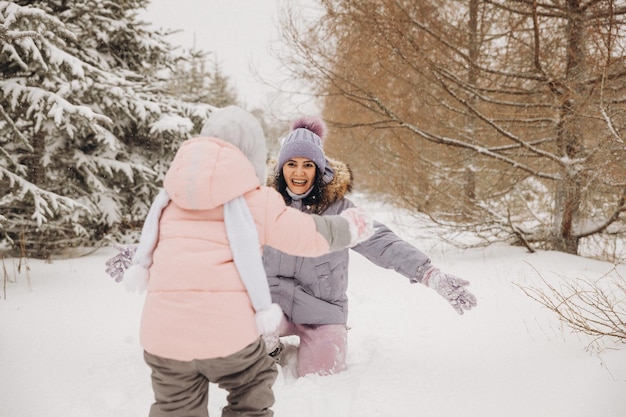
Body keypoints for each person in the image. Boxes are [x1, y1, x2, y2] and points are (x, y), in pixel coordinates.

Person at [105, 106, 374, 417]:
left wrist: (137, 256)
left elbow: (159, 242)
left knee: (175, 406)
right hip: (226, 338)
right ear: (253, 156)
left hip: (163, 341)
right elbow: (307, 234)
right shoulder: (254, 202)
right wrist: (349, 228)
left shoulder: (170, 198)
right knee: (253, 381)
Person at [263, 116, 478, 377]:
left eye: (308, 165)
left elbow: (381, 242)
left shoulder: (339, 211)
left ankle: (323, 343)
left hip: (322, 313)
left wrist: (429, 274)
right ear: (281, 168)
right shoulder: (264, 206)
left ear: (319, 170)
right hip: (271, 307)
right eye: (292, 164)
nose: (299, 173)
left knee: (322, 375)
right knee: (240, 339)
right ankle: (269, 347)